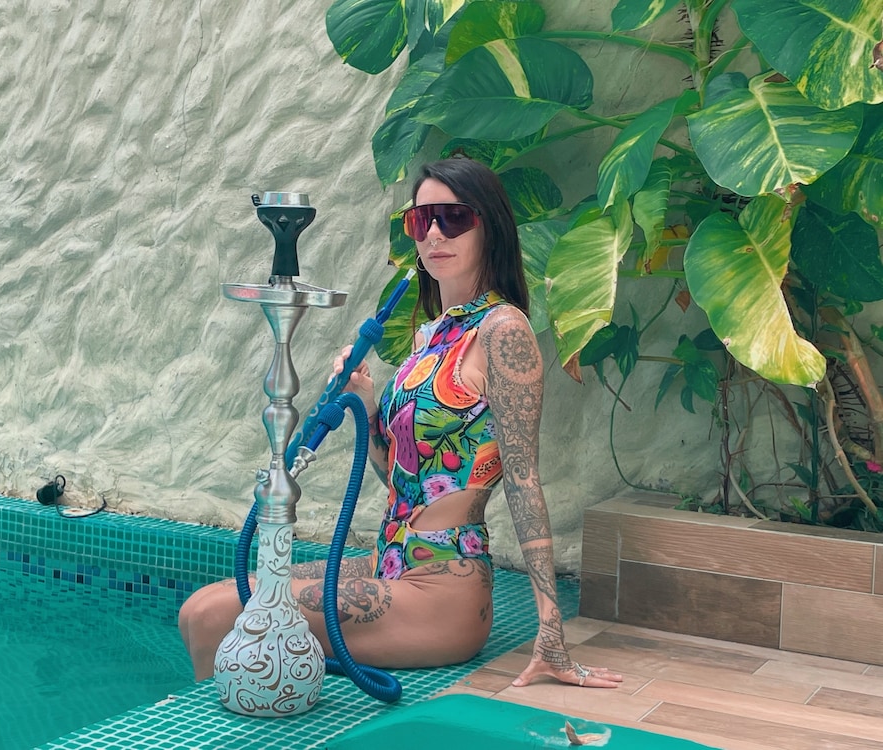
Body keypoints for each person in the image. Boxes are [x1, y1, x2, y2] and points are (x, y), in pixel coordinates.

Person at [179, 156, 623, 690]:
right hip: (387, 563)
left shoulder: (502, 331)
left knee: (216, 617)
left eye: (453, 217)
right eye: (421, 220)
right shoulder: (429, 337)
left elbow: (524, 482)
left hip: (442, 590)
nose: (434, 233)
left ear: (490, 227)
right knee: (203, 603)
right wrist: (367, 404)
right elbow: (401, 476)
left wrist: (551, 634)